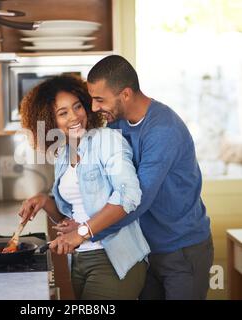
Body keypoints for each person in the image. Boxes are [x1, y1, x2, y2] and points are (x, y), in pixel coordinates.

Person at [84, 55, 214, 300]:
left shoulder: (163, 130)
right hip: (146, 249)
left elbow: (136, 199)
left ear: (125, 94)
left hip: (182, 251)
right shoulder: (117, 125)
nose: (93, 107)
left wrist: (87, 231)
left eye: (100, 99)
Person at [18, 74, 150, 300]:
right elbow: (69, 219)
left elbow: (129, 195)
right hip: (79, 260)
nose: (74, 116)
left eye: (77, 106)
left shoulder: (106, 140)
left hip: (114, 259)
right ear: (50, 122)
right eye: (63, 113)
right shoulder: (62, 155)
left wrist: (82, 232)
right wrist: (45, 202)